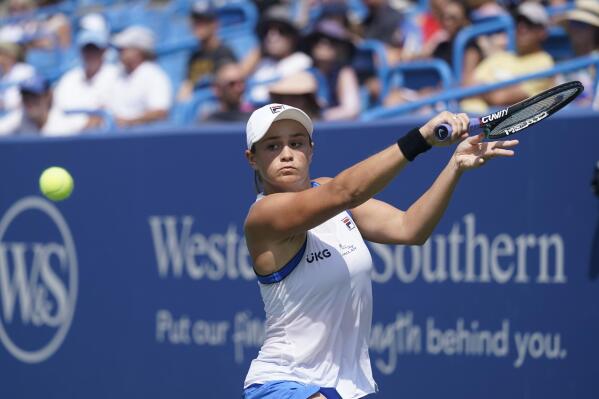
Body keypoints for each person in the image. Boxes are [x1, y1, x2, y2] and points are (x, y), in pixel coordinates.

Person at [241, 103, 518, 398]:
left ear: (311, 150)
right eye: (272, 146)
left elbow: (409, 228)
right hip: (282, 383)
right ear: (252, 159)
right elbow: (346, 192)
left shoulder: (328, 190)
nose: (286, 153)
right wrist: (421, 139)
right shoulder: (264, 216)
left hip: (344, 387)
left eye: (296, 143)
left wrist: (455, 165)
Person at [462, 1, 554, 111]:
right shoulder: (499, 57)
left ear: (542, 31)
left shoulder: (545, 63)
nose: (521, 27)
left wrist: (480, 90)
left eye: (529, 23)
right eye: (518, 22)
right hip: (465, 119)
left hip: (496, 124)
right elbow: (466, 86)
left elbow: (501, 98)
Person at [49, 29, 118, 135]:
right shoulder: (68, 78)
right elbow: (59, 110)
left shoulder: (115, 75)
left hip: (101, 138)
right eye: (87, 49)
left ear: (103, 51)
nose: (90, 54)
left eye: (95, 49)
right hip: (66, 137)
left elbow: (106, 114)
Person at [242, 5, 312, 105]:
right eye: (267, 31)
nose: (271, 37)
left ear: (293, 37)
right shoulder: (261, 65)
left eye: (281, 30)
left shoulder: (302, 62)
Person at [108, 26, 172, 128]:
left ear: (138, 51)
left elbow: (160, 112)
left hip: (141, 138)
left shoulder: (154, 75)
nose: (119, 53)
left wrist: (128, 122)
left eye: (123, 49)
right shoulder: (117, 74)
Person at [177, 0, 237, 102]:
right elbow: (185, 89)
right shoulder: (194, 56)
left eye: (203, 21)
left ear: (215, 24)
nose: (198, 26)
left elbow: (230, 88)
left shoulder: (224, 52)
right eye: (196, 21)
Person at [304, 19, 360, 121]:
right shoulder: (305, 73)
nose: (323, 43)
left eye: (331, 41)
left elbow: (351, 110)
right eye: (318, 39)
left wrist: (321, 117)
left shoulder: (344, 73)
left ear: (341, 48)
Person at [422, 0, 483, 86]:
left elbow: (466, 82)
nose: (447, 22)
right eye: (444, 17)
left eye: (453, 18)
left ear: (464, 20)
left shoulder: (469, 47)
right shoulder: (441, 46)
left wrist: (437, 91)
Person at [559, 0, 599, 106]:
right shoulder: (563, 64)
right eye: (573, 23)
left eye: (581, 24)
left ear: (594, 29)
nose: (576, 29)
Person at [0, 41, 35, 135]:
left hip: (20, 116)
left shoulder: (24, 70)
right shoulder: (2, 74)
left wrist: (5, 104)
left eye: (2, 54)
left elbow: (29, 98)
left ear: (11, 56)